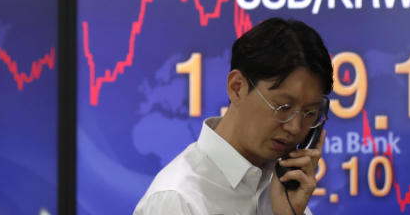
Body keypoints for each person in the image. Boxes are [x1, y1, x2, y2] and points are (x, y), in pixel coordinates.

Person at [133, 18, 333, 215]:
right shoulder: (176, 200)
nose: (295, 128)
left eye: (310, 113)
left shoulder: (287, 191)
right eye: (283, 107)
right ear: (237, 88)